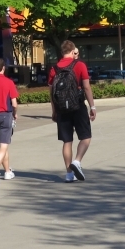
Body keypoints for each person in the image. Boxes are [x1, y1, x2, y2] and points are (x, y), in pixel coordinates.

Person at [48, 40, 96, 183]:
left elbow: (51, 92)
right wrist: (92, 106)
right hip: (78, 106)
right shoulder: (79, 65)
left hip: (61, 109)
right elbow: (86, 87)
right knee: (86, 137)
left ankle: (69, 174)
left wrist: (54, 110)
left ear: (62, 51)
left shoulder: (54, 69)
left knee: (67, 141)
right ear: (73, 50)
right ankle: (77, 161)